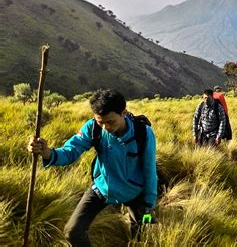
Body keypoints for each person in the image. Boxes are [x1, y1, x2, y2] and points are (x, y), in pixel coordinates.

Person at [27, 89, 157, 246]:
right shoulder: (93, 128)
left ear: (124, 113)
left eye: (110, 122)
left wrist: (148, 203)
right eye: (100, 122)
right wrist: (47, 152)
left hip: (134, 192)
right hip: (102, 188)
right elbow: (70, 152)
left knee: (140, 237)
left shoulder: (143, 132)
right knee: (72, 232)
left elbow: (149, 170)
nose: (105, 128)